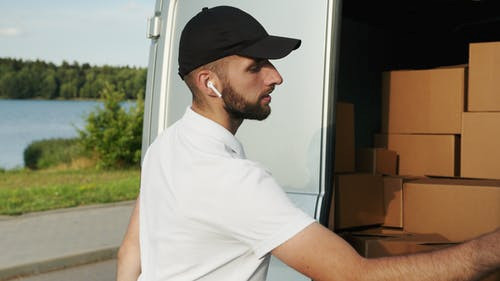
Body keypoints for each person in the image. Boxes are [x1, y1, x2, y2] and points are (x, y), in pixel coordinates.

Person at [117, 5, 500, 281]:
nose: (276, 76)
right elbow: (353, 276)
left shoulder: (166, 145)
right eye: (256, 66)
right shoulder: (232, 180)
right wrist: (491, 250)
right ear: (208, 83)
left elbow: (131, 252)